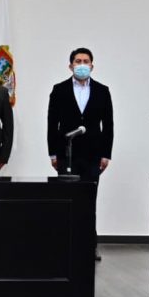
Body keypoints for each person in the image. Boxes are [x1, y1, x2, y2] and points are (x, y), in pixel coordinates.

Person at [47, 47, 114, 261]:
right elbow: (52, 123)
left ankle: (89, 245)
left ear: (92, 66)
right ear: (70, 66)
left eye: (86, 61)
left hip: (93, 155)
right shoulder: (59, 90)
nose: (82, 65)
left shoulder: (102, 90)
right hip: (66, 153)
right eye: (78, 61)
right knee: (67, 200)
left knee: (89, 200)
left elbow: (108, 125)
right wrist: (53, 154)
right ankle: (65, 245)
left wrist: (106, 154)